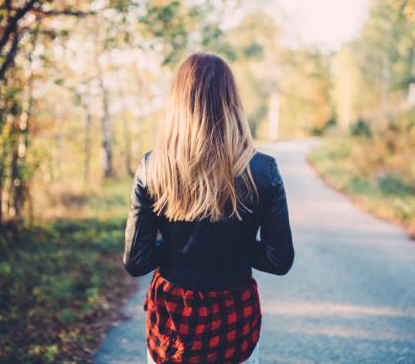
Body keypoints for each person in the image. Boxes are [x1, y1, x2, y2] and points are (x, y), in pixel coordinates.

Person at [123, 52, 294, 364]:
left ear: (177, 101)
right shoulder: (264, 170)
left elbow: (136, 261)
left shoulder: (152, 167)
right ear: (232, 102)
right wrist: (235, 247)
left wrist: (176, 249)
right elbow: (278, 260)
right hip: (234, 322)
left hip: (172, 323)